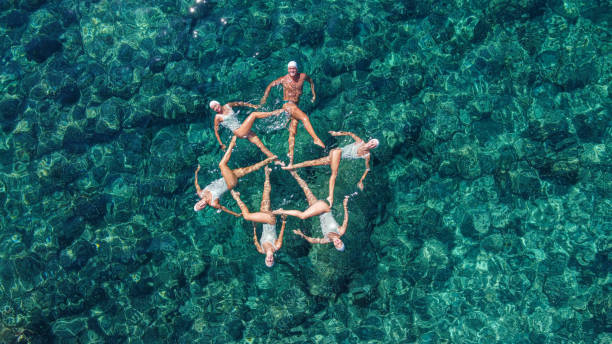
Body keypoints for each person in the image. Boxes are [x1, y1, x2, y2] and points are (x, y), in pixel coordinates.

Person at [283, 130, 379, 205]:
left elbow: (367, 168)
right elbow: (350, 134)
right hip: (338, 152)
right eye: (372, 142)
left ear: (373, 147)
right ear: (370, 141)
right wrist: (336, 133)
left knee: (313, 162)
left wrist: (361, 180)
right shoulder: (360, 142)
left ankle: (291, 166)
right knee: (334, 174)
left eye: (373, 145)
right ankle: (330, 197)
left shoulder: (367, 155)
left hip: (334, 156)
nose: (371, 144)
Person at [260, 61, 325, 165]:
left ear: (297, 69)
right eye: (290, 69)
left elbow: (311, 81)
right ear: (288, 69)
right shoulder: (283, 79)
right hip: (287, 104)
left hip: (295, 106)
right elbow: (270, 85)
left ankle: (290, 156)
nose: (292, 70)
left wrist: (314, 94)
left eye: (293, 68)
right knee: (305, 118)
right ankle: (315, 139)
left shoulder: (302, 77)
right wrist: (264, 97)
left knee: (293, 130)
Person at [194, 136, 275, 213]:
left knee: (249, 169)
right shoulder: (213, 203)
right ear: (203, 208)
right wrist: (236, 214)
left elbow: (196, 184)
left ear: (198, 202)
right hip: (230, 183)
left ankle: (269, 160)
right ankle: (232, 143)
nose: (201, 205)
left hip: (226, 177)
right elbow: (223, 208)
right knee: (222, 164)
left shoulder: (200, 193)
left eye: (198, 205)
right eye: (201, 207)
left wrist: (196, 172)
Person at [273, 170, 349, 251]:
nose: (338, 242)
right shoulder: (341, 231)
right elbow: (345, 220)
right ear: (341, 241)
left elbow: (313, 240)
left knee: (306, 190)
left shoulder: (326, 240)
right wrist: (345, 205)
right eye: (340, 243)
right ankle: (281, 211)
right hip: (324, 208)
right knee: (303, 216)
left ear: (334, 245)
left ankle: (293, 172)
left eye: (337, 245)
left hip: (318, 212)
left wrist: (302, 235)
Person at [230, 167, 286, 267]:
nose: (269, 259)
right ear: (273, 259)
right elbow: (281, 233)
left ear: (265, 259)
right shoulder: (277, 246)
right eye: (271, 261)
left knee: (265, 198)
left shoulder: (261, 250)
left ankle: (267, 174)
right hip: (271, 221)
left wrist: (254, 227)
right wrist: (284, 221)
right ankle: (236, 197)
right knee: (247, 216)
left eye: (267, 261)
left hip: (264, 220)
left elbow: (255, 239)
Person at [210, 100, 284, 161]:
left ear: (218, 103)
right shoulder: (217, 117)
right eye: (213, 109)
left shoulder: (228, 105)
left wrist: (252, 106)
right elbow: (216, 132)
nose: (216, 109)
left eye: (215, 106)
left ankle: (277, 161)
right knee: (254, 114)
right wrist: (221, 144)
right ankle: (275, 113)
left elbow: (240, 103)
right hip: (238, 132)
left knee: (261, 145)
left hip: (243, 129)